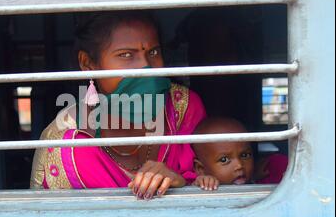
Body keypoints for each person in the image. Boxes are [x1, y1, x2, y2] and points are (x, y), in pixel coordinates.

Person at [30, 11, 206, 199]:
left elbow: (216, 181)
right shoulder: (60, 144)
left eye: (153, 52)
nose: (145, 68)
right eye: (126, 55)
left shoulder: (183, 106)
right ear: (88, 64)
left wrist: (180, 182)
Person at [191, 117, 288, 190]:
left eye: (245, 155)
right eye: (224, 160)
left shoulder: (257, 182)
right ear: (201, 169)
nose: (239, 165)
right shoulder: (205, 185)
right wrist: (203, 183)